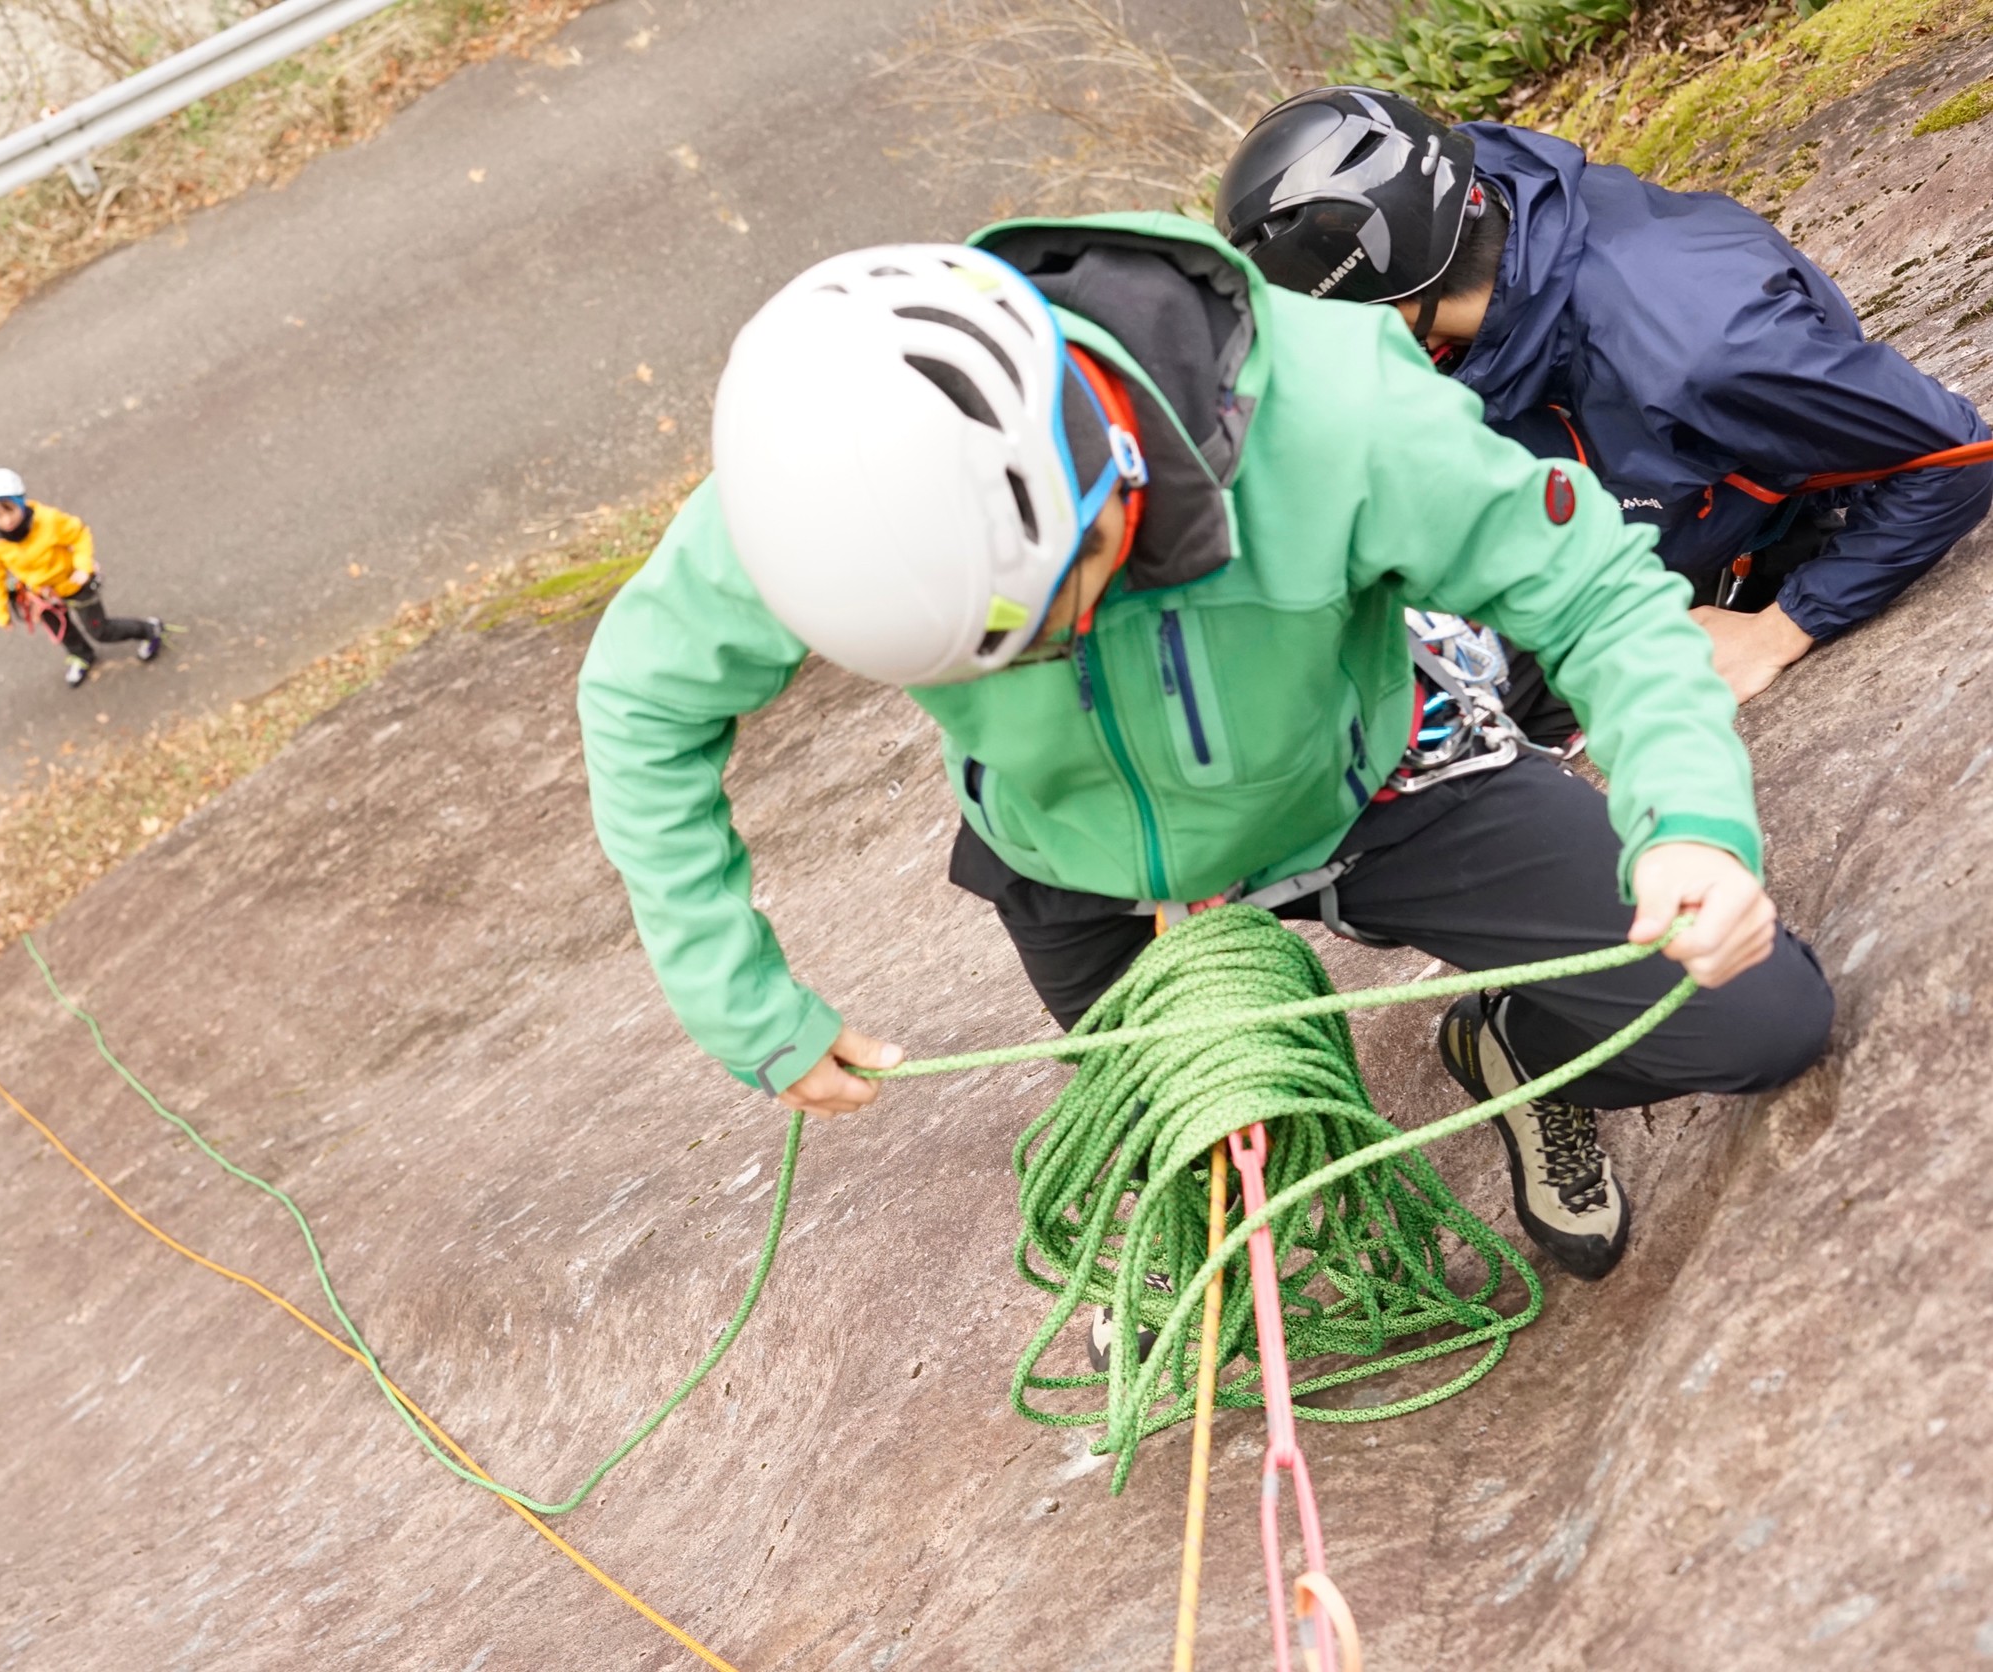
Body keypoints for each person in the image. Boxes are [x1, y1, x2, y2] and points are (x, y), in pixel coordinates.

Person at [577, 221, 1834, 1314]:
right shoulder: (822, 488)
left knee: (1758, 1018)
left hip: (1369, 777)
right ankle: (1195, 1229)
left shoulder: (1330, 408)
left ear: (1103, 471)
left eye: (1031, 629)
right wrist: (744, 1005)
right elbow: (640, 702)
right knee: (1208, 1176)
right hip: (1078, 857)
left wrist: (1689, 822)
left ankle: (1512, 1042)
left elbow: (1593, 593)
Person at [1213, 85, 1992, 719]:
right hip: (1603, 468)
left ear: (1387, 303)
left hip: (1741, 512)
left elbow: (1953, 456)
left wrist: (1780, 629)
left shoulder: (1703, 350)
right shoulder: (1498, 201)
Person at [0, 467, 163, 689]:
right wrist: (0, 612)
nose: (6, 520)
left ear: (21, 502)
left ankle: (149, 630)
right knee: (62, 631)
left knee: (100, 630)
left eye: (10, 510)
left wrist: (83, 567)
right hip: (41, 594)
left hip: (74, 583)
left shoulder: (48, 520)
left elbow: (80, 533)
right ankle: (82, 655)